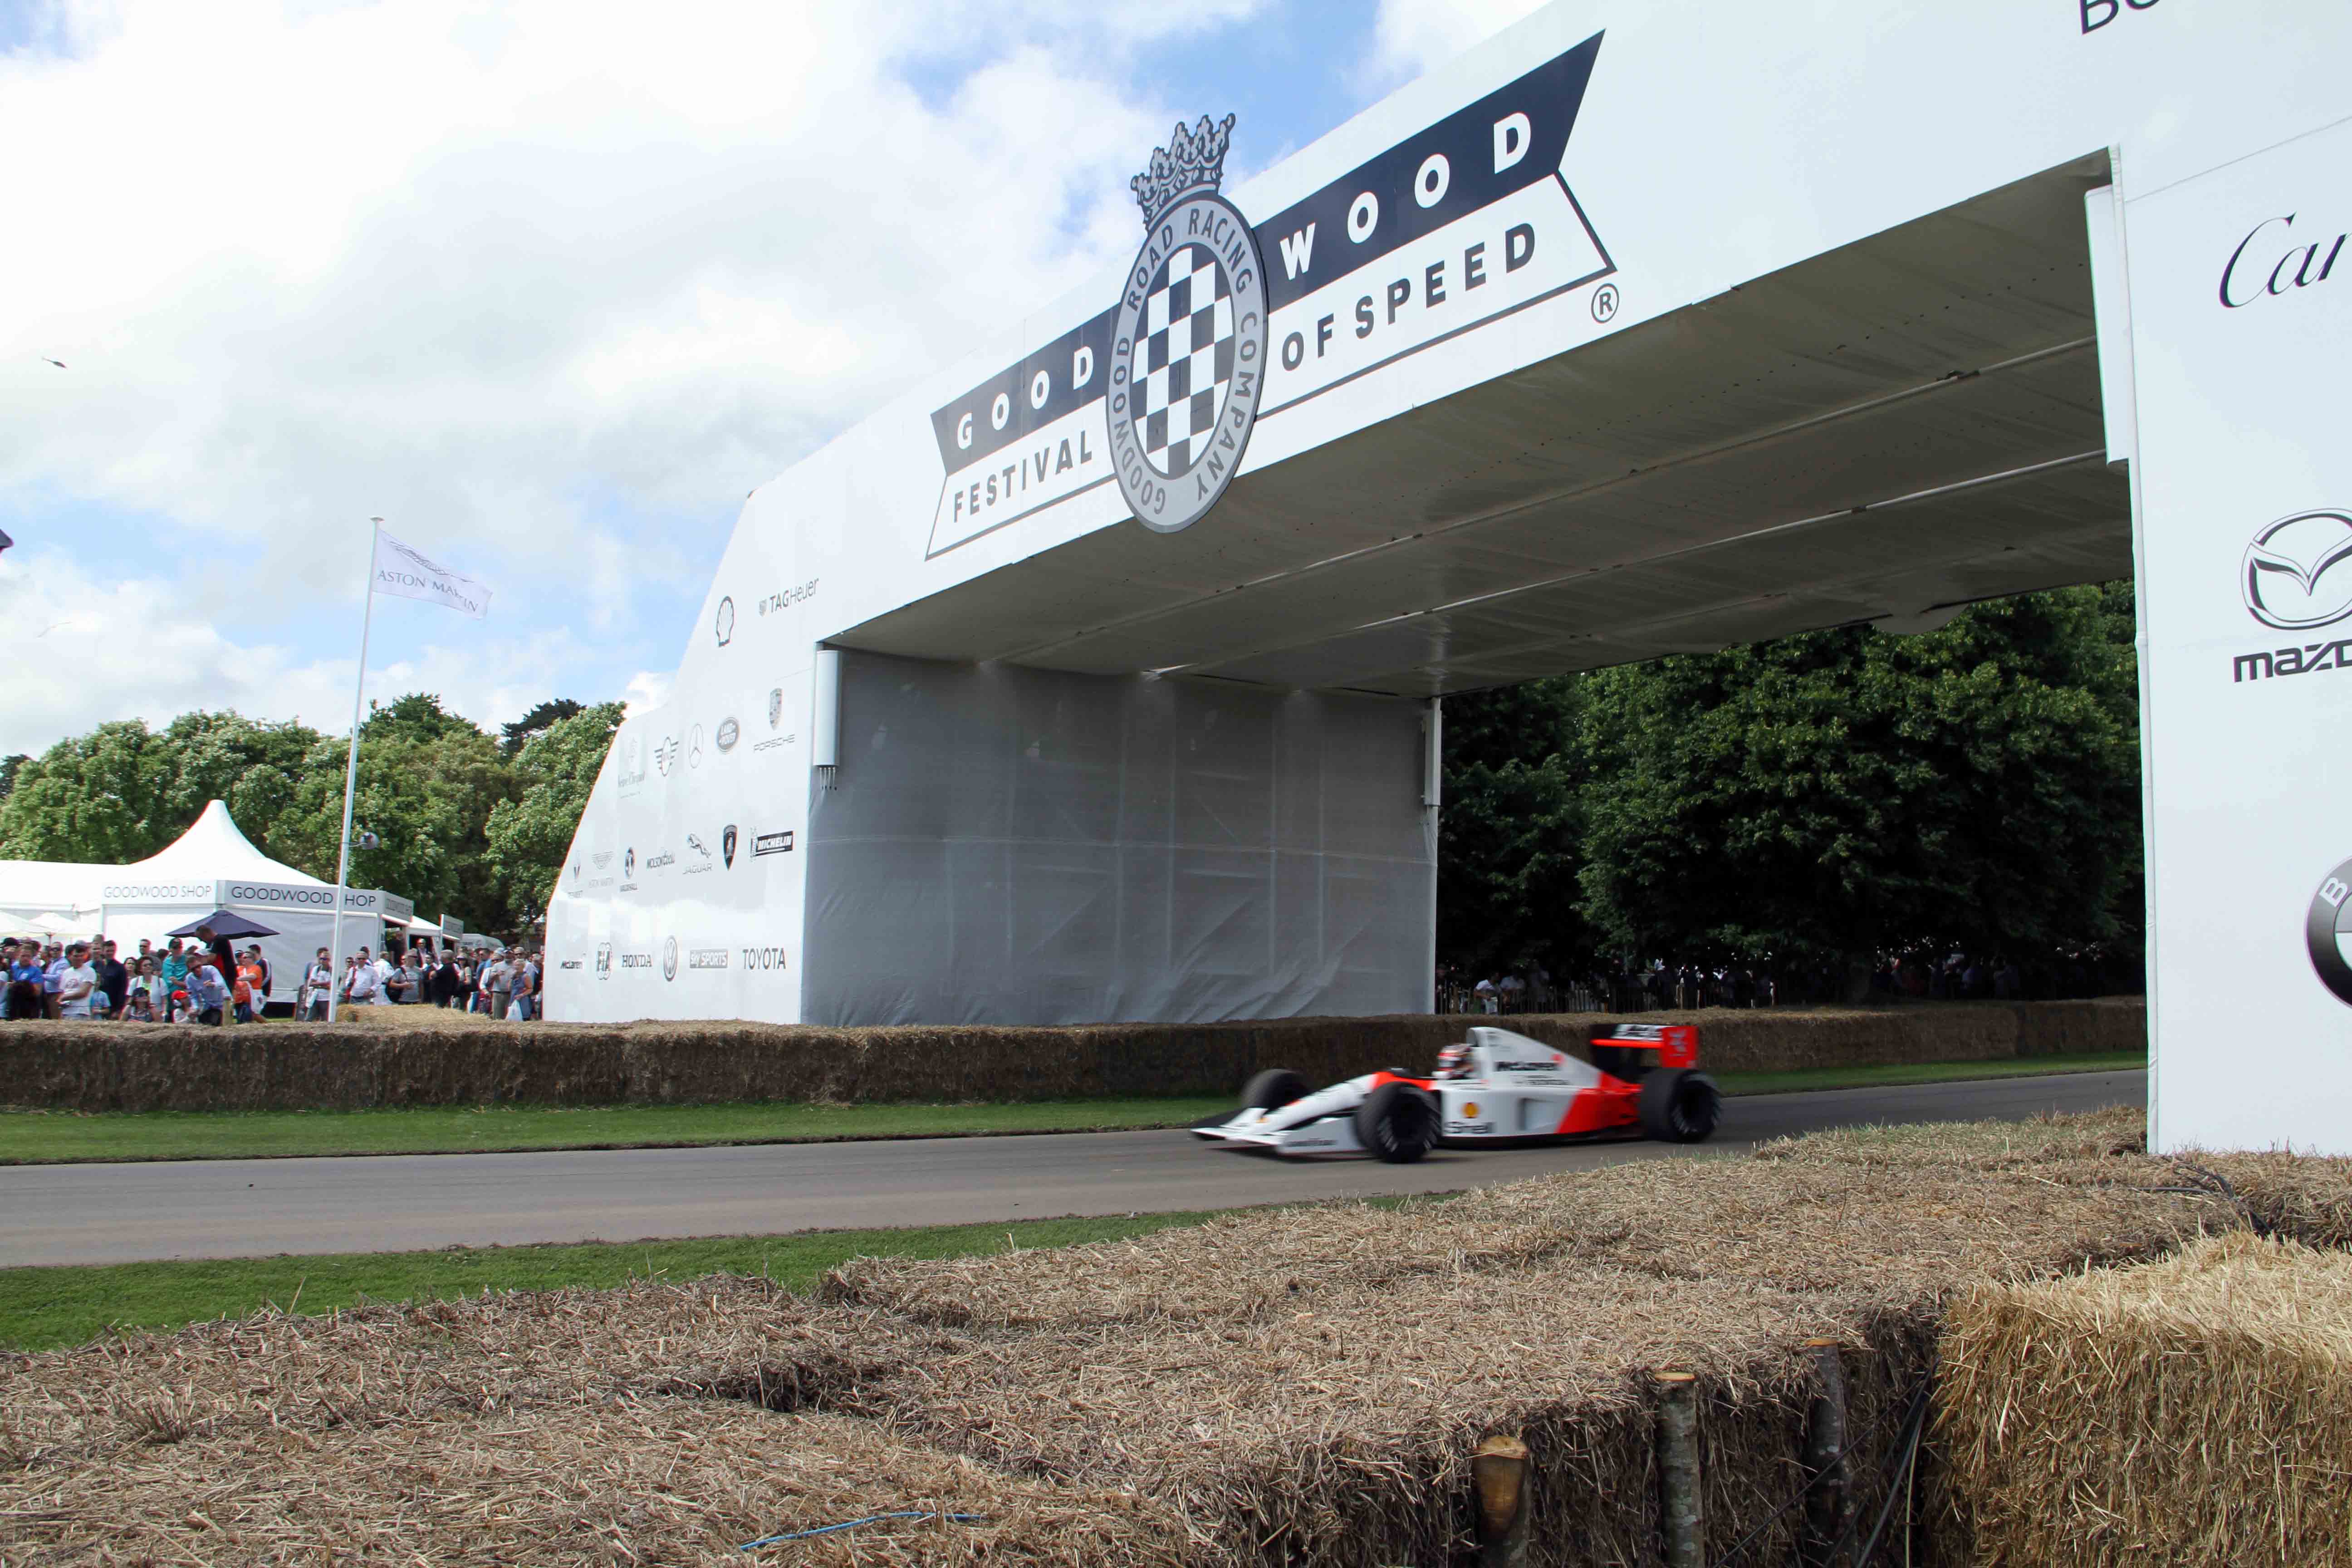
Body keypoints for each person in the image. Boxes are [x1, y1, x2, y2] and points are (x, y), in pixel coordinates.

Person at [55, 942, 98, 1019]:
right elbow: (62, 991)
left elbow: (83, 993)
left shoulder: (90, 971)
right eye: (76, 956)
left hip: (80, 1012)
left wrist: (63, 998)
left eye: (81, 956)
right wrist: (61, 1003)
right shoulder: (66, 972)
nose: (79, 959)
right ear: (69, 957)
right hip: (66, 1011)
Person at [182, 956, 228, 1025]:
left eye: (199, 966)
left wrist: (213, 985)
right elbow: (193, 997)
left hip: (224, 1002)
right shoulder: (189, 979)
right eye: (193, 969)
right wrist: (195, 1008)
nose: (197, 970)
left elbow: (222, 985)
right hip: (209, 1006)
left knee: (226, 1026)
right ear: (190, 970)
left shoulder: (211, 969)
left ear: (201, 964)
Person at [92, 940, 129, 1022]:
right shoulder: (96, 965)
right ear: (103, 951)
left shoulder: (120, 968)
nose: (110, 953)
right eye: (108, 951)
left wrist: (119, 1010)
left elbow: (123, 989)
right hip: (96, 1005)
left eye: (113, 951)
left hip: (113, 1006)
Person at [300, 948, 334, 1021]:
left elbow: (331, 986)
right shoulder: (316, 969)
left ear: (329, 960)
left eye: (325, 959)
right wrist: (325, 984)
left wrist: (319, 984)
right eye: (321, 959)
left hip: (326, 999)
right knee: (308, 1019)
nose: (322, 961)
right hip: (315, 997)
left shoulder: (332, 971)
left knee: (325, 1020)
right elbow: (312, 983)